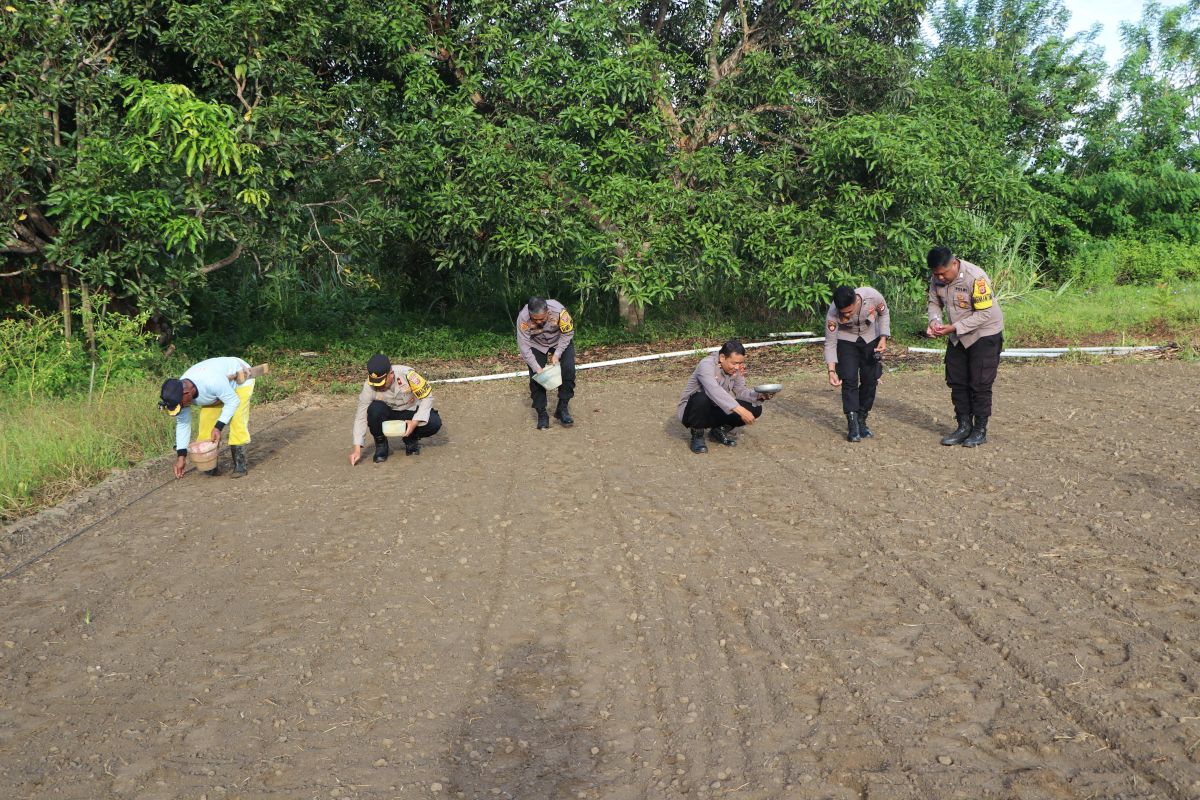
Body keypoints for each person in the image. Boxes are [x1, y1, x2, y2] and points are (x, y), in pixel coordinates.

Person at [926, 246, 1005, 447]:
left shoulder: (976, 278)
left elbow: (984, 314)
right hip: (957, 335)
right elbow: (934, 302)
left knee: (980, 383)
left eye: (943, 274)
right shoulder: (936, 277)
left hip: (984, 333)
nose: (940, 278)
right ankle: (963, 426)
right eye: (937, 275)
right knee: (957, 380)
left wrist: (954, 327)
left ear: (954, 263)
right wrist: (934, 321)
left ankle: (980, 429)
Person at [160, 356, 255, 479]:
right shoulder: (177, 395)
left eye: (182, 405)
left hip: (240, 381)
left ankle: (240, 464)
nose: (182, 407)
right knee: (206, 426)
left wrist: (218, 427)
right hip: (216, 394)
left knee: (237, 422)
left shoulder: (211, 381)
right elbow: (183, 424)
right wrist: (181, 456)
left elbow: (233, 401)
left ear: (187, 393)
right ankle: (210, 465)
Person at [677, 340, 773, 454]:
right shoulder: (706, 365)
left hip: (714, 409)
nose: (737, 367)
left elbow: (741, 391)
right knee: (701, 397)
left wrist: (759, 395)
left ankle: (718, 431)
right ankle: (697, 435)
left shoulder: (735, 369)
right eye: (734, 363)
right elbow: (713, 390)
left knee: (755, 407)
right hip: (691, 412)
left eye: (740, 363)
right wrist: (740, 410)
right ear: (722, 357)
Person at [350, 354, 443, 464]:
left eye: (381, 383)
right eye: (375, 383)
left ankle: (411, 438)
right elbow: (361, 416)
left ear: (391, 374)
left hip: (411, 412)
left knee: (434, 422)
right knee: (374, 410)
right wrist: (357, 449)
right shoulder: (369, 385)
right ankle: (381, 445)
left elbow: (427, 397)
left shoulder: (408, 375)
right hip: (389, 413)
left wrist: (415, 422)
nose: (378, 387)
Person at [825, 285, 890, 442]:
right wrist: (831, 371)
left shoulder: (872, 296)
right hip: (846, 340)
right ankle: (852, 424)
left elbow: (884, 313)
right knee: (849, 379)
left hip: (870, 337)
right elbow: (830, 342)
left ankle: (862, 419)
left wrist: (883, 337)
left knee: (870, 379)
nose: (846, 315)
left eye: (849, 311)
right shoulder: (833, 313)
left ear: (856, 301)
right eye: (843, 313)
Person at [516, 296, 576, 429]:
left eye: (542, 318)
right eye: (535, 319)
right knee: (536, 378)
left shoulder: (559, 311)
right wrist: (537, 368)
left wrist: (558, 353)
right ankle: (542, 414)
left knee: (568, 369)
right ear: (529, 314)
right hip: (536, 343)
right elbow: (524, 346)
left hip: (559, 340)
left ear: (548, 311)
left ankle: (562, 409)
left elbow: (568, 333)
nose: (539, 322)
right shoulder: (523, 319)